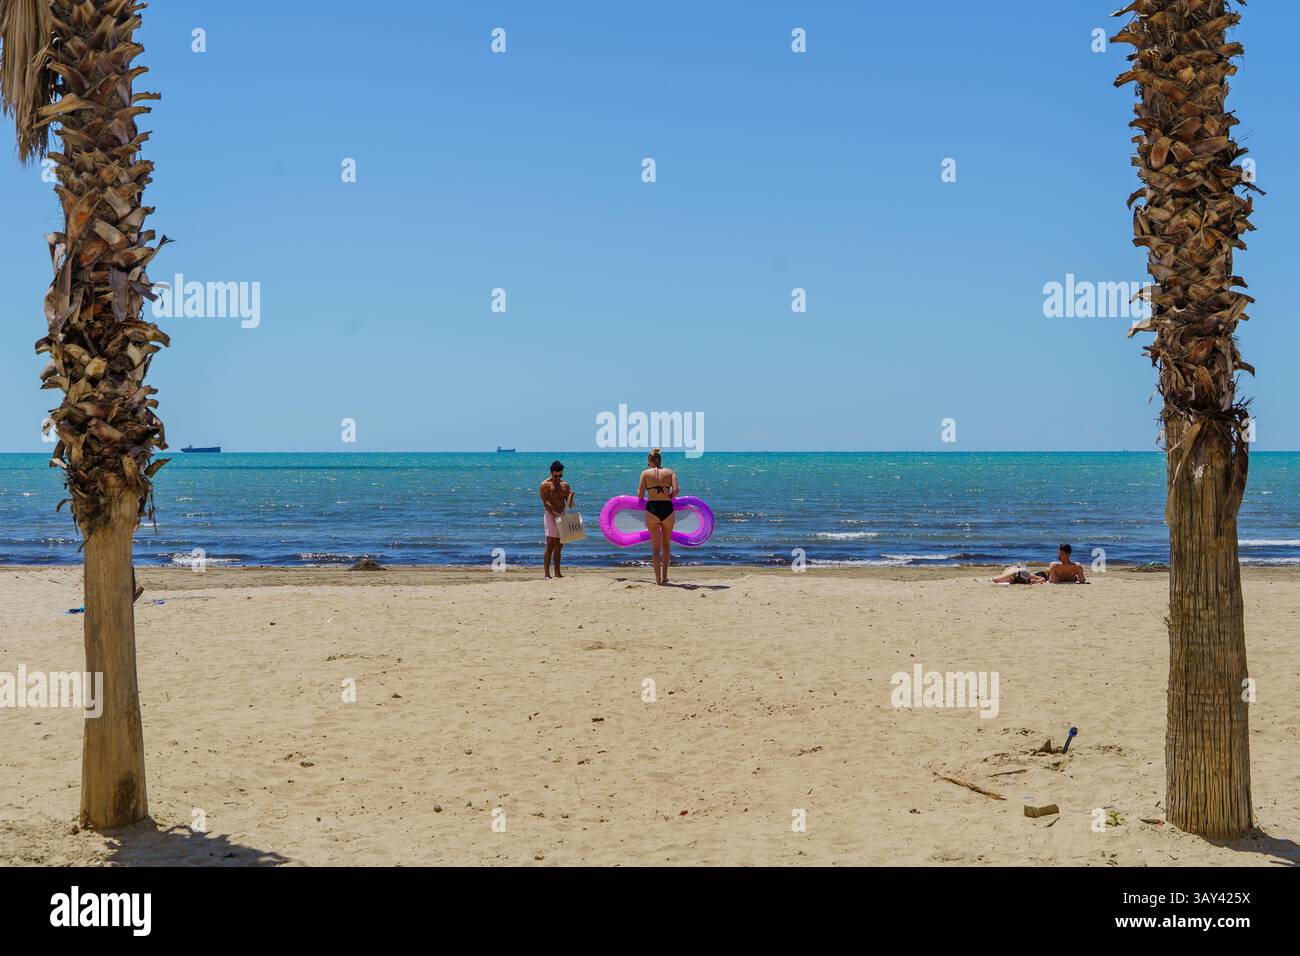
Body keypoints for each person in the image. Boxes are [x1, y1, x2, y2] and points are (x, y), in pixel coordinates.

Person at [637, 448, 679, 585]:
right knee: (666, 544)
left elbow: (640, 495)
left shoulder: (645, 473)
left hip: (652, 508)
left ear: (650, 461)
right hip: (667, 507)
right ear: (660, 460)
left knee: (655, 547)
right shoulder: (670, 472)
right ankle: (665, 576)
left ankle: (657, 580)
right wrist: (668, 496)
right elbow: (676, 491)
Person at [539, 460, 574, 579]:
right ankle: (547, 574)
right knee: (550, 544)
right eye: (556, 476)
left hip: (562, 514)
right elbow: (546, 502)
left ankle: (558, 573)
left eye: (560, 476)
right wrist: (554, 515)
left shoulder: (565, 485)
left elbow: (570, 505)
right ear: (551, 473)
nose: (558, 478)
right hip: (550, 516)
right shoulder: (545, 485)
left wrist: (571, 498)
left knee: (559, 545)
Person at [991, 543, 1086, 585]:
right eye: (1059, 553)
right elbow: (1081, 580)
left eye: (1061, 553)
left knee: (1020, 575)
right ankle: (1009, 572)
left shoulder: (1060, 565)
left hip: (1045, 577)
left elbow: (1053, 581)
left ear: (1068, 554)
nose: (1059, 555)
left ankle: (997, 578)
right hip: (1044, 574)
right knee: (1020, 573)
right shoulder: (1075, 566)